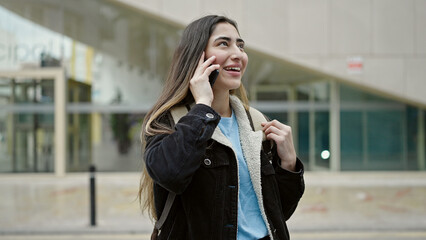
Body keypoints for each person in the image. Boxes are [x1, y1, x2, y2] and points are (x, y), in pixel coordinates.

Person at [139, 15, 305, 240]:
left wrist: (289, 164)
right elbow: (172, 175)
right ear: (197, 57)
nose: (238, 54)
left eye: (241, 45)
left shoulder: (256, 124)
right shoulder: (167, 123)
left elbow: (276, 213)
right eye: (224, 43)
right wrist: (202, 107)